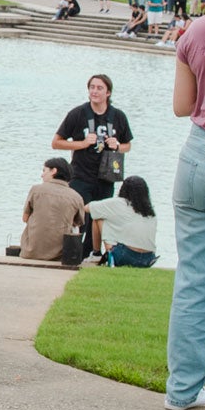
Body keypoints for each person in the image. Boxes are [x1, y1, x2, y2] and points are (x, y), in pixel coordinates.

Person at [165, 11, 205, 408]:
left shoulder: (196, 30)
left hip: (197, 156)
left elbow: (183, 106)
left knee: (193, 280)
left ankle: (182, 390)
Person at [52, 74, 133, 253]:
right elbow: (56, 142)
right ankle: (74, 252)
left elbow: (128, 145)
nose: (94, 91)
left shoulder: (118, 116)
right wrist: (82, 143)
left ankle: (94, 253)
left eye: (99, 88)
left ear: (108, 93)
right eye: (92, 87)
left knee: (100, 217)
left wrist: (118, 145)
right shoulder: (78, 113)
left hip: (106, 176)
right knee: (80, 216)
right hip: (81, 175)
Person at [20, 157, 85, 261]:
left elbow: (25, 218)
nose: (42, 175)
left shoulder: (36, 189)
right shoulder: (76, 197)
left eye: (44, 170)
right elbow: (78, 222)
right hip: (59, 255)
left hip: (30, 251)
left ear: (54, 171)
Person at [86, 176, 158, 267]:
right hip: (149, 258)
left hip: (125, 256)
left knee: (98, 217)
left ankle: (96, 254)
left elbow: (87, 208)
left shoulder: (119, 203)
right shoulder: (150, 211)